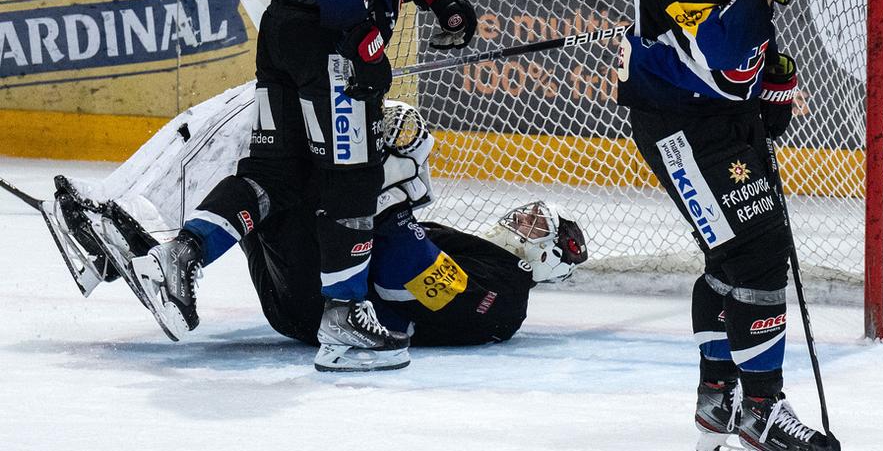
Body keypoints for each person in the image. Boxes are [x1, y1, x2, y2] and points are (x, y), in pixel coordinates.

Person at [114, 0, 478, 372]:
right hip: (327, 43)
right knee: (353, 178)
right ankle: (343, 325)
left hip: (283, 33)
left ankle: (184, 253)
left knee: (274, 173)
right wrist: (364, 48)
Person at [616, 0, 839, 451]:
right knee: (760, 256)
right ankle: (761, 417)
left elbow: (748, 42)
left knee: (729, 257)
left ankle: (719, 404)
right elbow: (720, 48)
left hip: (716, 113)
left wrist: (773, 77)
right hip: (681, 120)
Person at [41, 94, 587, 352]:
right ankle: (129, 240)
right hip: (316, 298)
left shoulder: (506, 300)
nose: (523, 219)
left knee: (282, 174)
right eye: (532, 213)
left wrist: (382, 182)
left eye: (541, 228)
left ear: (546, 262)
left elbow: (407, 272)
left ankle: (149, 236)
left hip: (323, 305)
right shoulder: (485, 257)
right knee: (262, 154)